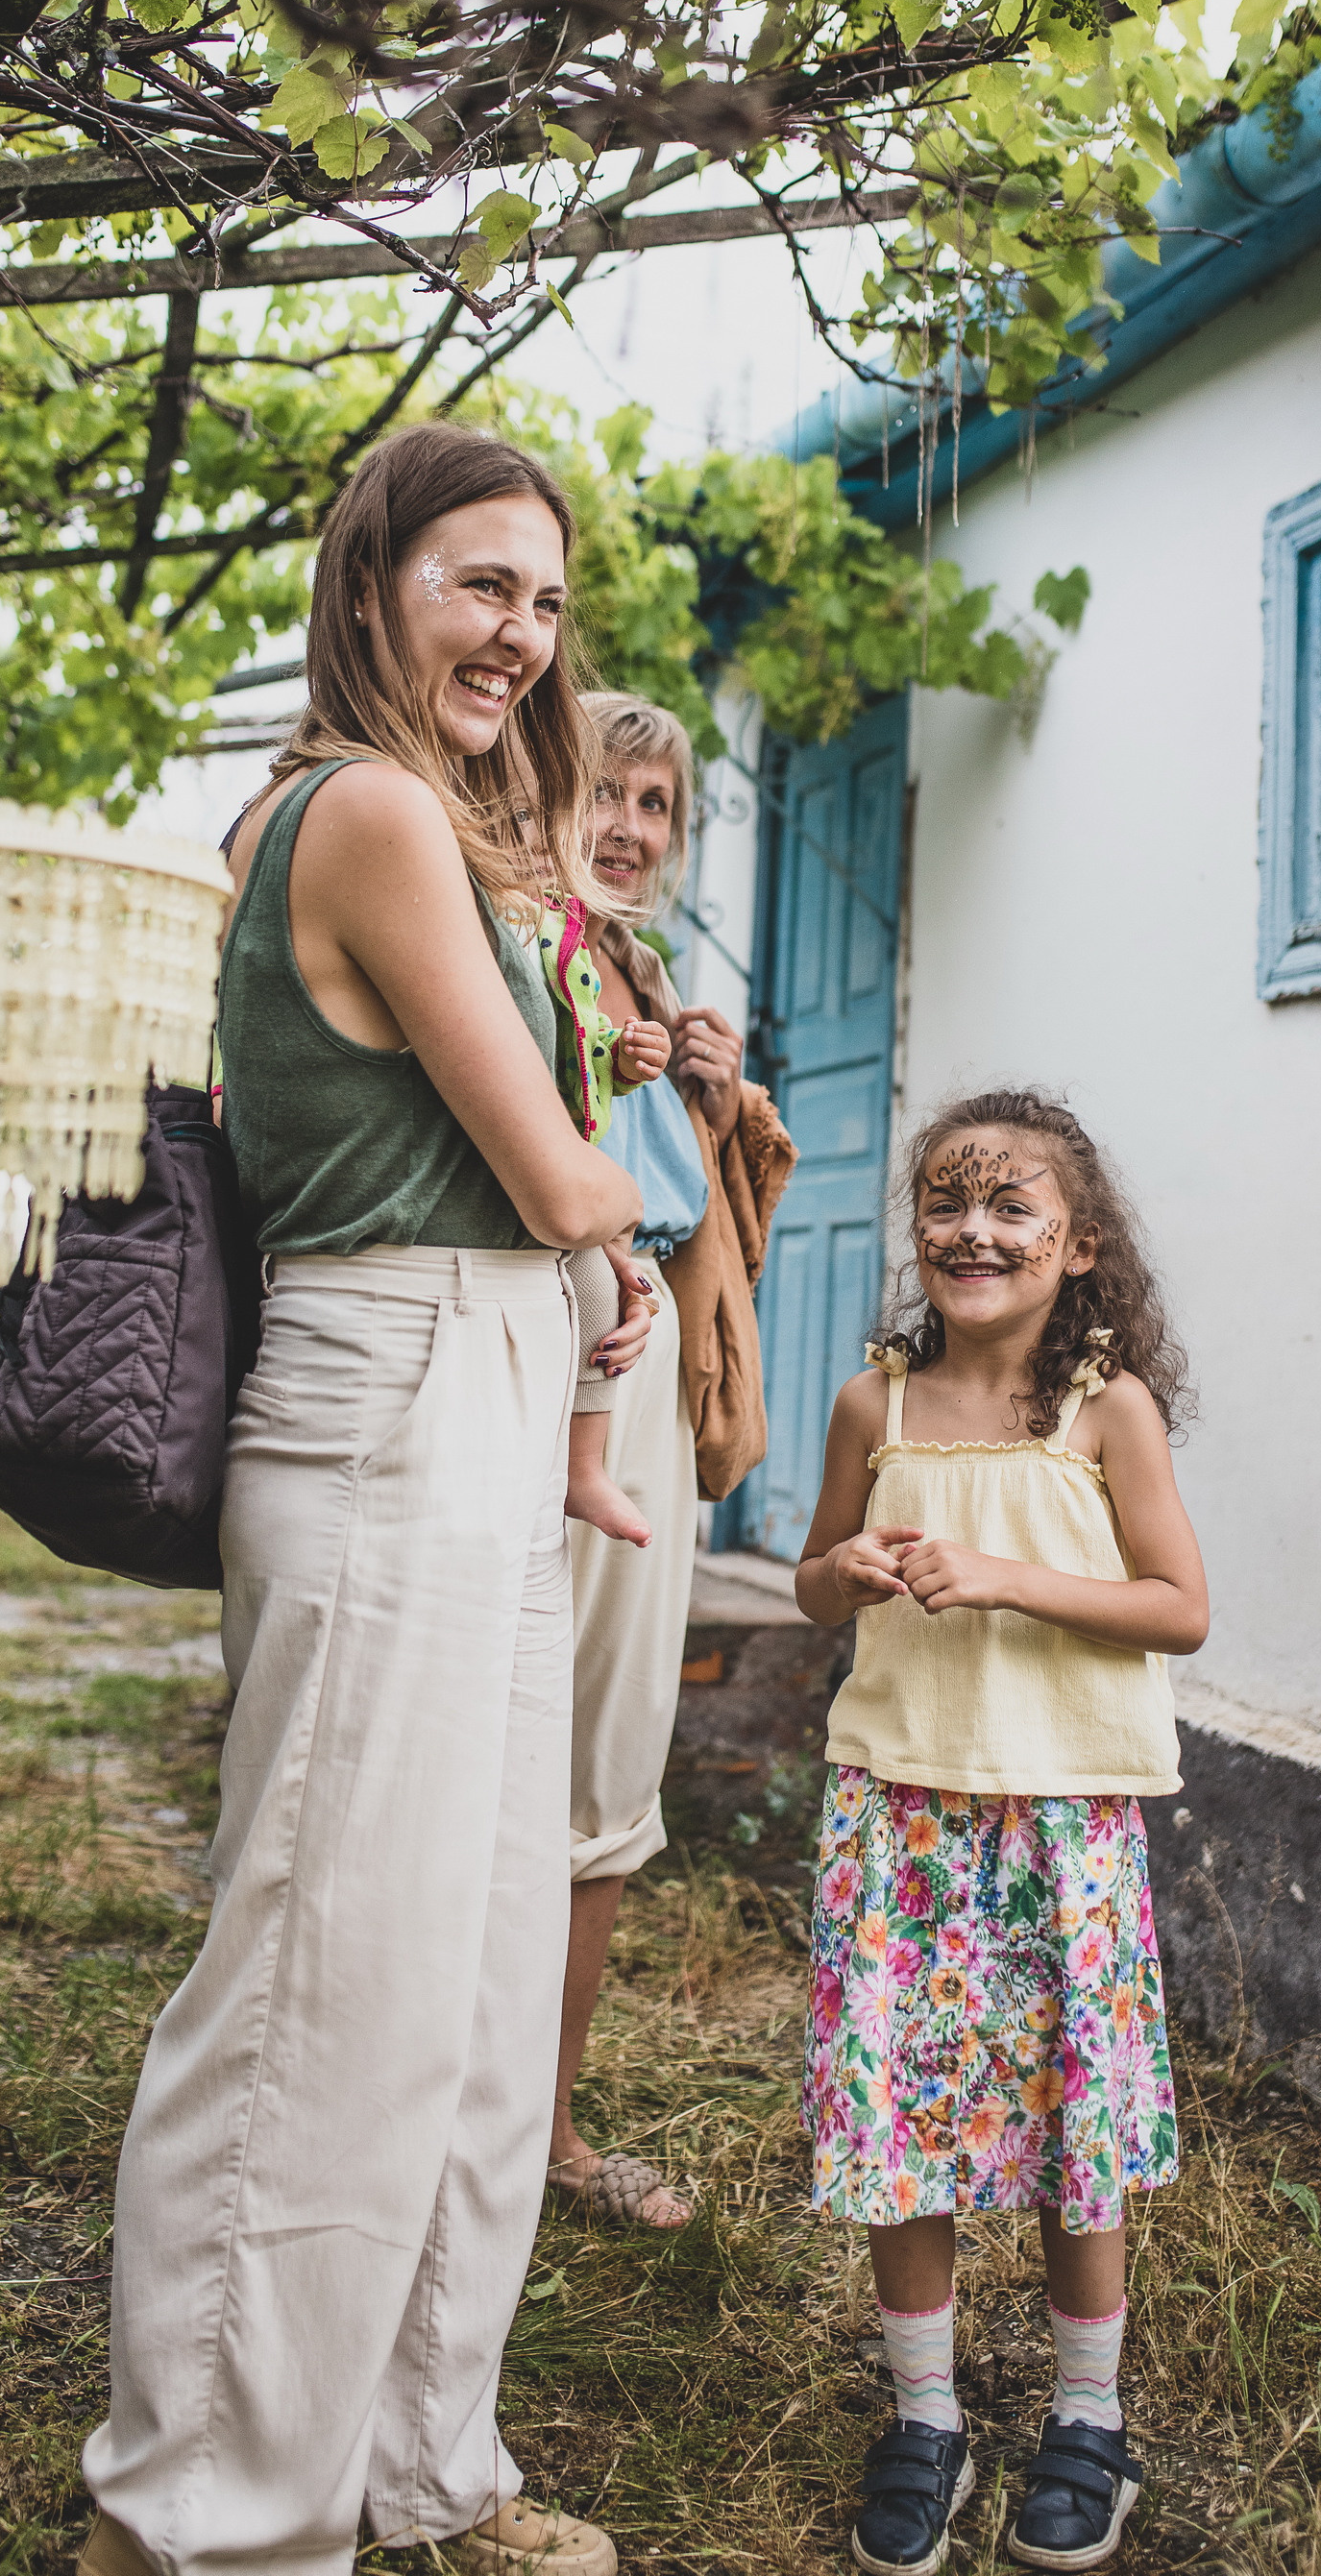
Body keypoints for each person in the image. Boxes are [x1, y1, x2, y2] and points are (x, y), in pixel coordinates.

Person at [79, 425, 646, 2576]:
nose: (521, 632)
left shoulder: (456, 832)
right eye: (480, 584)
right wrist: (628, 1234)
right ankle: (199, 2519)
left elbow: (549, 1199)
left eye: (547, 600)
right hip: (393, 1383)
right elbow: (553, 1166)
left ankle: (426, 2462)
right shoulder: (375, 811)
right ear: (375, 580)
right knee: (324, 1974)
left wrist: (589, 1266)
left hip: (487, 1382)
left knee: (483, 1978)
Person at [794, 1089, 1209, 2575]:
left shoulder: (1106, 1409)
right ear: (918, 1232)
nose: (973, 1230)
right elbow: (811, 1585)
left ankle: (1088, 2421)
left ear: (1077, 1241)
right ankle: (926, 2418)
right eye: (946, 1204)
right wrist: (842, 1568)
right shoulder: (873, 1404)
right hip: (898, 1814)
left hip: (1062, 1824)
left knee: (1069, 2123)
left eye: (1011, 1206)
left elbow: (1180, 1607)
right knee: (905, 2125)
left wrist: (1005, 1576)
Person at [548, 693, 796, 2231]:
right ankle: (460, 2114)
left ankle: (552, 2130)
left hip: (638, 1383)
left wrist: (706, 1089)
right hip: (548, 1360)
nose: (633, 828)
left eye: (659, 806)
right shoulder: (514, 935)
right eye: (606, 793)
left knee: (612, 1750)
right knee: (507, 1743)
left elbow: (702, 1212)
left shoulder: (644, 971)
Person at [532, 887, 672, 1547]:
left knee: (598, 1289)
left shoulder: (569, 931)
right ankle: (582, 1469)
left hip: (571, 1176)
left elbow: (579, 1043)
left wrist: (621, 1057)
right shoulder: (509, 923)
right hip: (540, 1171)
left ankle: (582, 1468)